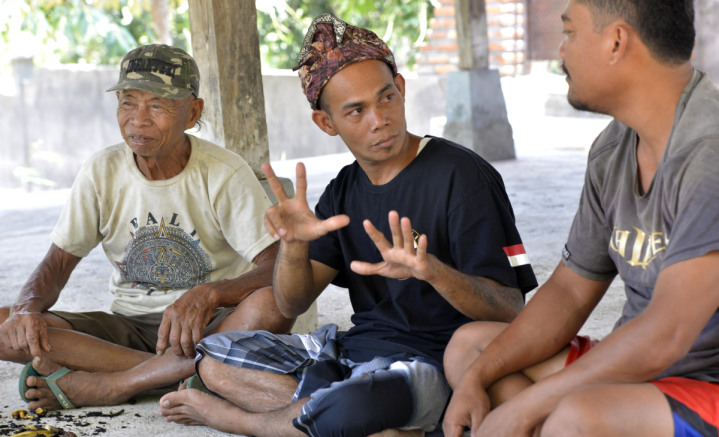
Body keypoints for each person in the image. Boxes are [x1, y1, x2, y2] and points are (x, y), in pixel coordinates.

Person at [157, 13, 538, 437]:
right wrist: (293, 246)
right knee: (215, 358)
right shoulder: (343, 190)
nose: (379, 119)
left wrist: (434, 272)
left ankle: (248, 419)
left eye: (386, 98)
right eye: (356, 111)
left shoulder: (463, 176)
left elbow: (510, 309)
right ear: (327, 123)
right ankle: (348, 419)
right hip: (350, 353)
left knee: (353, 403)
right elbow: (291, 304)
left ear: (401, 88)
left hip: (430, 364)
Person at [441, 1, 719, 437]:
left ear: (616, 42)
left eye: (569, 33)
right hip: (644, 370)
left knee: (576, 417)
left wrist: (524, 409)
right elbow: (570, 291)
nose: (561, 52)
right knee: (469, 352)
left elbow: (667, 335)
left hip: (706, 383)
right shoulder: (613, 149)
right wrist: (477, 377)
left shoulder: (708, 153)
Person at [0, 44, 293, 410]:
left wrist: (210, 294)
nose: (138, 120)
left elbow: (278, 266)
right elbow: (58, 263)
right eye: (128, 102)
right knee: (9, 323)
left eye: (157, 105)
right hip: (128, 329)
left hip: (208, 327)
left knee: (274, 305)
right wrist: (26, 309)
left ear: (193, 112)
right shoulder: (101, 171)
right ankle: (187, 376)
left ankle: (113, 384)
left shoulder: (223, 172)